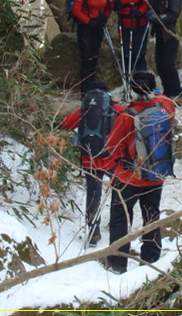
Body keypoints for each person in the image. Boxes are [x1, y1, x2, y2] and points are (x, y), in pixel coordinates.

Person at [103, 71, 176, 274]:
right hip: (156, 174)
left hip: (129, 178)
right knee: (151, 215)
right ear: (153, 88)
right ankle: (150, 258)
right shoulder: (165, 107)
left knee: (120, 219)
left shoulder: (127, 117)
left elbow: (112, 147)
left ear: (132, 91)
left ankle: (118, 263)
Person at [61, 81, 124, 247]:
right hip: (111, 158)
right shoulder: (115, 109)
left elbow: (67, 124)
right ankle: (114, 224)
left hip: (89, 158)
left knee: (93, 193)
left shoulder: (86, 108)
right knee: (118, 189)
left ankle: (94, 232)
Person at [71, 0, 112, 92]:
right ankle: (85, 90)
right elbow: (76, 10)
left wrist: (104, 17)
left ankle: (92, 87)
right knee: (87, 58)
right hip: (85, 27)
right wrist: (89, 21)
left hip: (98, 26)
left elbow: (109, 6)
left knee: (94, 57)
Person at [145, 0, 182, 101]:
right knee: (160, 64)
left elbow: (174, 14)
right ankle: (168, 91)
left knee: (168, 63)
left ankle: (177, 92)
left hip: (170, 33)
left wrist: (157, 19)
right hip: (160, 34)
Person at [111, 0, 150, 77]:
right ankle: (128, 76)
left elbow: (147, 4)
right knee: (127, 52)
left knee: (139, 52)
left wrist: (139, 12)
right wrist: (115, 6)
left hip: (140, 24)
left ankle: (142, 78)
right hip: (124, 25)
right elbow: (112, 4)